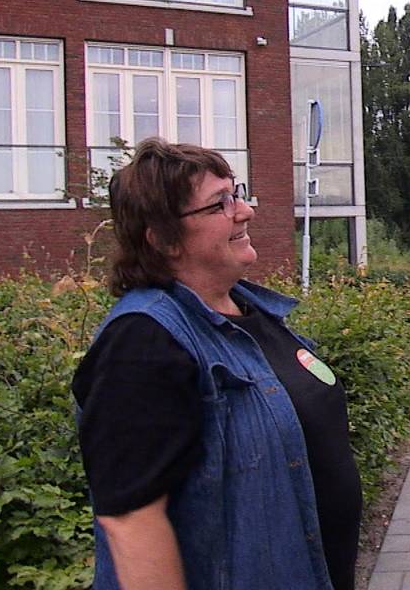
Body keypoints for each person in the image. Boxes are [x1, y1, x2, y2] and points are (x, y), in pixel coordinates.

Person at [72, 138, 362, 589]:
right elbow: (131, 521)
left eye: (237, 193)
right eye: (218, 204)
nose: (244, 211)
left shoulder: (254, 314)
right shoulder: (144, 343)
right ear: (163, 239)